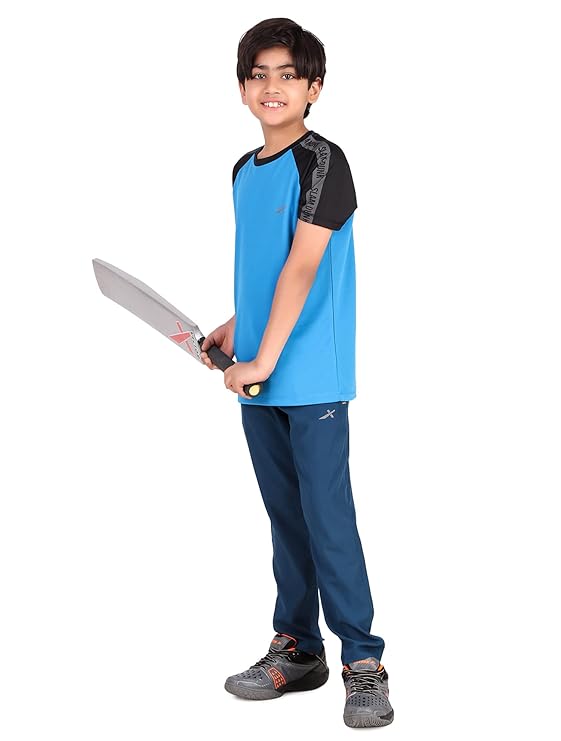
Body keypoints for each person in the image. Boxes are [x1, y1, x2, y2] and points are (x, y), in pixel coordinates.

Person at [200, 17, 394, 729]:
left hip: (308, 375)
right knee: (286, 518)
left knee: (327, 519)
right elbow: (268, 266)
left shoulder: (323, 161)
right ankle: (299, 648)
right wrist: (237, 328)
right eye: (258, 74)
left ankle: (363, 662)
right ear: (241, 88)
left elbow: (305, 265)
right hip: (257, 374)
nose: (272, 86)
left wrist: (262, 356)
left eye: (288, 74)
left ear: (314, 87)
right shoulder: (242, 170)